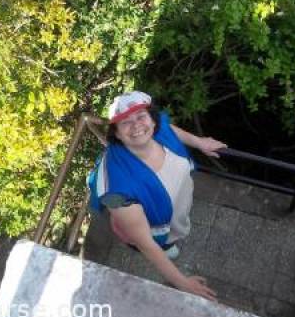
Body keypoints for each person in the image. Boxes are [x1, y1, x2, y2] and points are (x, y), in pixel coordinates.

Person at [88, 91, 226, 301]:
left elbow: (170, 129)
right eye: (125, 122)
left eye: (141, 117)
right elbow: (145, 242)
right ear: (116, 133)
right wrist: (183, 283)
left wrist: (199, 142)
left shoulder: (157, 130)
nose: (136, 126)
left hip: (174, 202)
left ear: (152, 120)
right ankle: (168, 245)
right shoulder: (118, 190)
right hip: (144, 227)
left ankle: (172, 237)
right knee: (160, 240)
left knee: (176, 220)